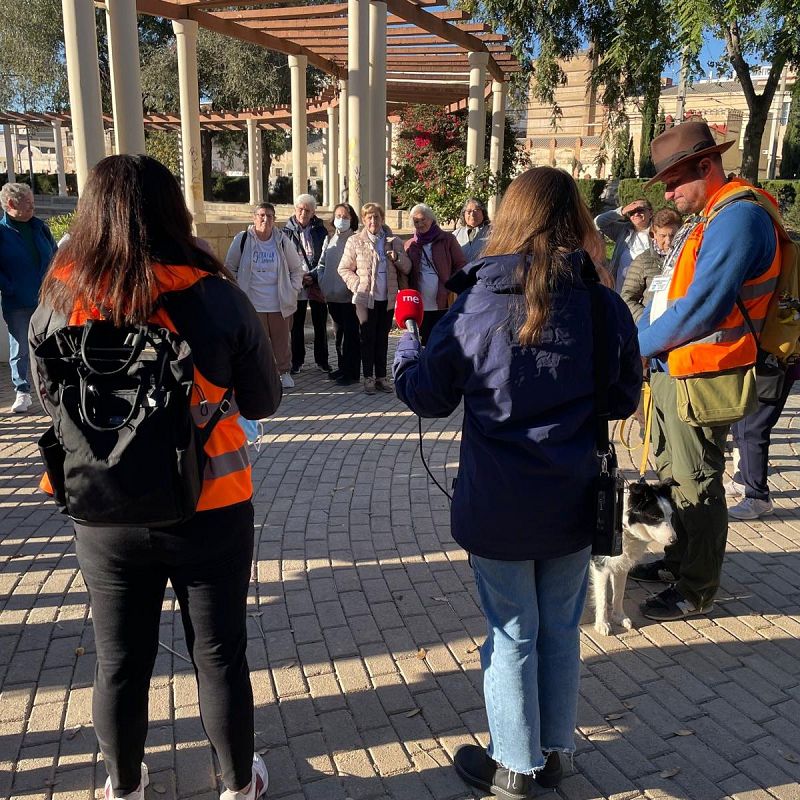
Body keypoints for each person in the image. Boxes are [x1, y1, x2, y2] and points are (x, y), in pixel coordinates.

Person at [30, 155, 281, 800]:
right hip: (211, 503)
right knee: (220, 654)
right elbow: (261, 401)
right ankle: (236, 784)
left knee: (118, 660)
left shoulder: (59, 299)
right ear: (174, 211)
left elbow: (48, 400)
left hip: (102, 508)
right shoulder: (213, 293)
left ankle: (123, 785)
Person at [393, 167, 641, 797]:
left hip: (498, 505)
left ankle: (514, 767)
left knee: (512, 632)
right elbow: (620, 399)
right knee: (558, 629)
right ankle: (552, 754)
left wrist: (403, 354)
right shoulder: (601, 305)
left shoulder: (476, 304)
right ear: (577, 223)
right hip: (572, 501)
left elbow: (427, 394)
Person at [631, 121, 780, 620]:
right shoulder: (715, 215)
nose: (669, 194)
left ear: (707, 165)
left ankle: (696, 588)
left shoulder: (738, 219)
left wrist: (632, 348)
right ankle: (678, 559)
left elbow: (703, 309)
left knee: (698, 479)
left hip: (708, 371)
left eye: (675, 182)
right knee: (675, 473)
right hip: (682, 367)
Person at [225, 202, 305, 390]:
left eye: (269, 216)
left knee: (282, 341)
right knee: (255, 342)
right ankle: (258, 374)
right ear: (254, 218)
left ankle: (284, 372)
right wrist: (237, 292)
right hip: (252, 303)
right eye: (261, 215)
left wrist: (293, 289)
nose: (265, 219)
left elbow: (296, 269)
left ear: (274, 219)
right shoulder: (242, 239)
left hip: (278, 302)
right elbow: (230, 268)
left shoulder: (282, 241)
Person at [338, 202, 411, 394]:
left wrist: (396, 257)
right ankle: (368, 377)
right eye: (369, 217)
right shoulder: (355, 241)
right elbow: (344, 268)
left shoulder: (393, 240)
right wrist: (357, 285)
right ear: (363, 220)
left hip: (386, 298)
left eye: (376, 217)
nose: (373, 221)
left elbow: (408, 267)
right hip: (365, 299)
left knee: (382, 339)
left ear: (382, 219)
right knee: (367, 338)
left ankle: (381, 377)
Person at [0, 183, 57, 413]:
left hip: (46, 299)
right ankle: (22, 391)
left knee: (50, 344)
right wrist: (9, 286)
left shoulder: (40, 227)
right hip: (18, 302)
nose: (34, 206)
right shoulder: (1, 233)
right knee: (21, 347)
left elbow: (54, 255)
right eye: (29, 203)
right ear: (11, 204)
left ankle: (51, 388)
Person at [726, 361, 800, 518]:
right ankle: (743, 481)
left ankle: (758, 497)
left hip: (771, 362)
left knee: (752, 430)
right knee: (740, 427)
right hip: (754, 362)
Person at [405, 203, 466, 344]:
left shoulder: (447, 239)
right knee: (423, 341)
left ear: (432, 219)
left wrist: (450, 286)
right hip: (419, 303)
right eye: (416, 221)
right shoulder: (410, 244)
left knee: (441, 340)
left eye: (423, 219)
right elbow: (406, 272)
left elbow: (460, 264)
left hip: (443, 301)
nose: (420, 224)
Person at [283, 194, 329, 374]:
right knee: (297, 324)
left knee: (320, 323)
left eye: (307, 210)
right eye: (300, 209)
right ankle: (297, 360)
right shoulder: (285, 232)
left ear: (313, 212)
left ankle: (323, 360)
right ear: (295, 209)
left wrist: (314, 275)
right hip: (296, 282)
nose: (303, 213)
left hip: (316, 282)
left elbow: (325, 256)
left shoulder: (320, 230)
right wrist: (299, 276)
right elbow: (284, 259)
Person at [316, 203, 361, 387]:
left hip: (349, 296)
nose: (341, 219)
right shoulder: (329, 239)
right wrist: (323, 282)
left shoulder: (356, 239)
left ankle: (352, 372)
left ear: (352, 219)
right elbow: (322, 264)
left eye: (345, 216)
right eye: (338, 216)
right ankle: (342, 367)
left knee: (351, 336)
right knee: (338, 335)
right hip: (331, 295)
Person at [620, 208, 682, 322]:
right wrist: (646, 321)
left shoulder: (688, 258)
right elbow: (627, 298)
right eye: (663, 236)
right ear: (653, 234)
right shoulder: (643, 261)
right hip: (652, 328)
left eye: (673, 235)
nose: (668, 241)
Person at [595, 197, 653, 292]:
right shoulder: (622, 231)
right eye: (632, 212)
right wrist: (621, 211)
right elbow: (599, 223)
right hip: (619, 290)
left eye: (640, 210)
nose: (636, 213)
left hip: (645, 290)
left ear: (650, 213)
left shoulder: (658, 232)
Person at [453, 197, 490, 262]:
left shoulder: (493, 233)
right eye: (469, 211)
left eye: (476, 210)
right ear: (464, 214)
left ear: (483, 213)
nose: (472, 214)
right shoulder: (455, 235)